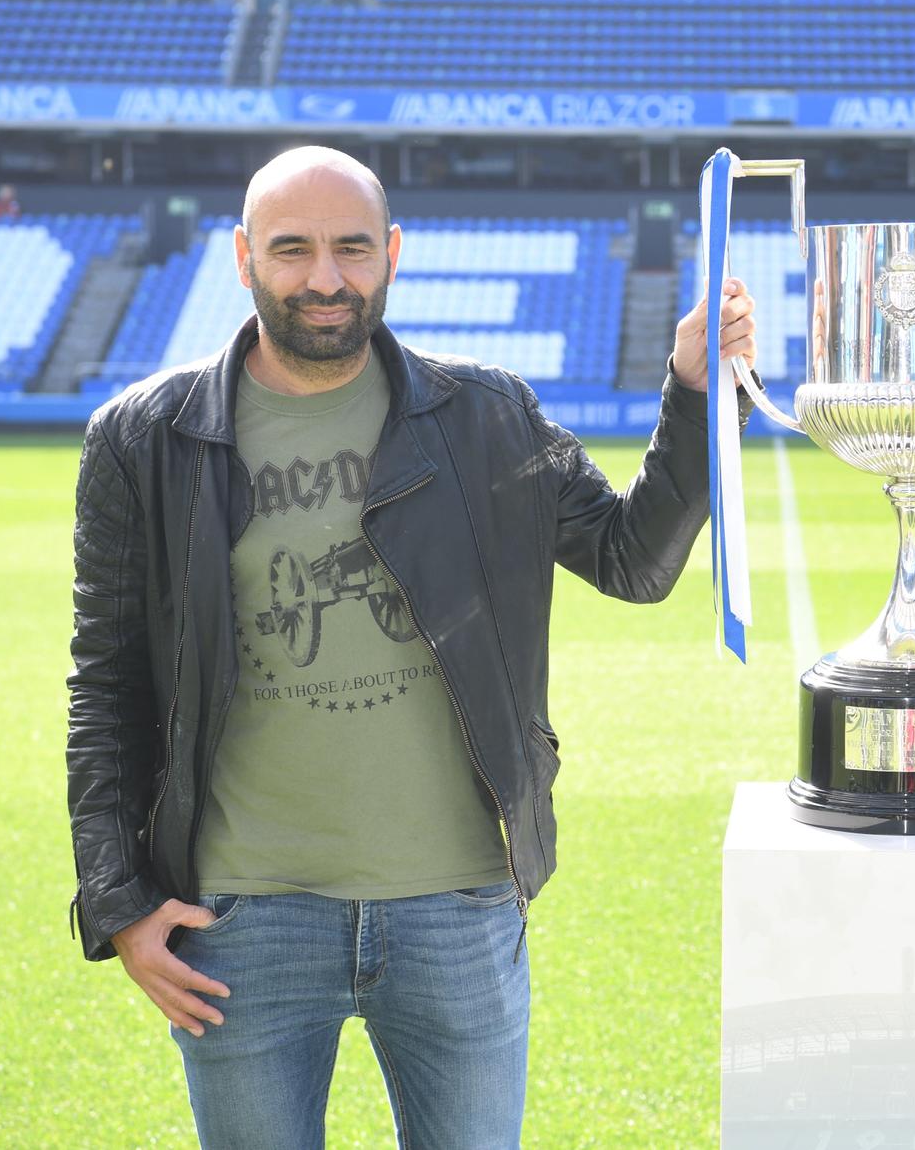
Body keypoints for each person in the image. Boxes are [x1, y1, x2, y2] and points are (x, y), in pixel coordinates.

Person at [66, 146, 757, 1147]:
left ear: (391, 252)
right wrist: (118, 900)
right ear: (240, 255)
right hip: (242, 922)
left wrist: (692, 392)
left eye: (351, 247)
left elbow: (631, 558)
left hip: (460, 909)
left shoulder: (485, 415)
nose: (324, 277)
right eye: (292, 249)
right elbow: (106, 682)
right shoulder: (144, 437)